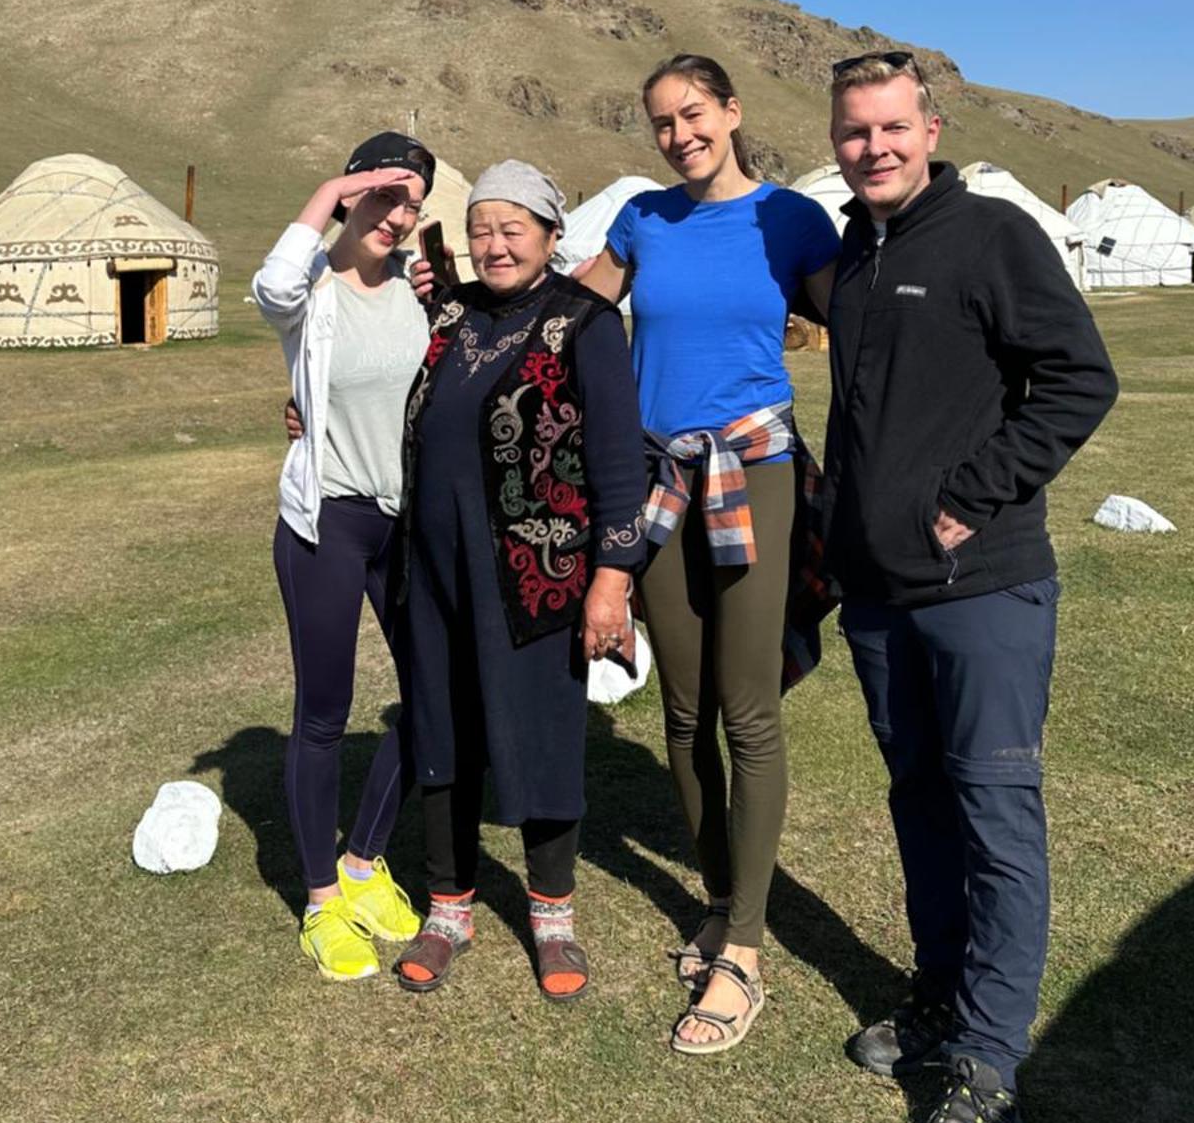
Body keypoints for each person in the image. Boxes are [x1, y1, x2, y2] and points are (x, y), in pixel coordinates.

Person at [823, 52, 1117, 1123]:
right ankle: (943, 998)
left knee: (996, 817)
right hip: (880, 597)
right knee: (919, 803)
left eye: (893, 127)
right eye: (855, 131)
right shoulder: (855, 251)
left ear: (931, 128)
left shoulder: (992, 233)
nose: (875, 147)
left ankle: (990, 1066)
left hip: (983, 586)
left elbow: (1080, 378)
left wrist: (971, 491)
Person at [575, 55, 840, 1054]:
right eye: (661, 122)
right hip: (659, 483)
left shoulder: (790, 219)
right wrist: (460, 297)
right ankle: (724, 900)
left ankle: (747, 949)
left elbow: (862, 327)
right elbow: (570, 315)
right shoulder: (644, 219)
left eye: (693, 114)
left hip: (753, 473)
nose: (679, 134)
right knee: (681, 711)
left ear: (731, 112)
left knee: (746, 706)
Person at [395, 161, 647, 1002]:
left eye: (514, 229)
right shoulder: (453, 314)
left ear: (549, 235)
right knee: (443, 730)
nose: (496, 245)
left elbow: (618, 464)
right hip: (435, 569)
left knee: (542, 735)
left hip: (539, 573)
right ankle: (449, 907)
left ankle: (552, 917)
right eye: (482, 230)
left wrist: (611, 583)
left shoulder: (586, 321)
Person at [253, 131, 438, 981]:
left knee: (431, 696)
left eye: (412, 204)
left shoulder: (418, 288)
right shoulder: (312, 296)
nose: (397, 218)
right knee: (324, 711)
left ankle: (365, 862)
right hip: (328, 523)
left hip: (404, 523)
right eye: (384, 199)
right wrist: (334, 186)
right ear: (353, 195)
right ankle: (322, 901)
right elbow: (271, 280)